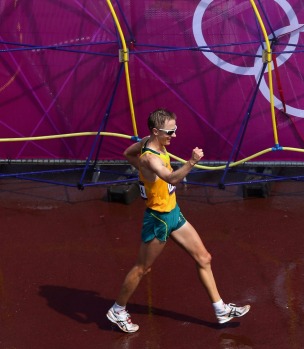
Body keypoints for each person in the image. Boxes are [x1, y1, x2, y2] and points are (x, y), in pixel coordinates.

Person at [106, 108, 250, 333]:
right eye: (169, 132)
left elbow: (127, 153)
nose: (174, 136)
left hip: (173, 213)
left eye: (175, 130)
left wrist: (142, 174)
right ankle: (117, 310)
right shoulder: (150, 158)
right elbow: (171, 177)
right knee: (142, 269)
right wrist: (191, 162)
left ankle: (220, 309)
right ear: (155, 131)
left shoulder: (149, 142)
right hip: (158, 219)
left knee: (204, 257)